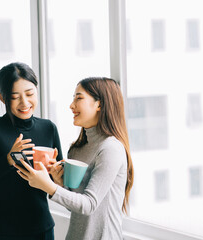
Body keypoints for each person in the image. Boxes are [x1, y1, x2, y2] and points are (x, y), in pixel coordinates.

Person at [16, 77, 134, 240]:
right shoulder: (76, 150)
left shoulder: (110, 149)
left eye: (79, 98)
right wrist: (59, 183)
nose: (71, 105)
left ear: (99, 104)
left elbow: (89, 205)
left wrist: (49, 186)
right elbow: (76, 207)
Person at [0, 62, 63, 240]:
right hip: (3, 231)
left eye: (29, 94)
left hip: (43, 229)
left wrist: (56, 176)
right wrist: (8, 160)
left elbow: (59, 186)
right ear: (2, 98)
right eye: (15, 96)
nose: (24, 102)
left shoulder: (49, 128)